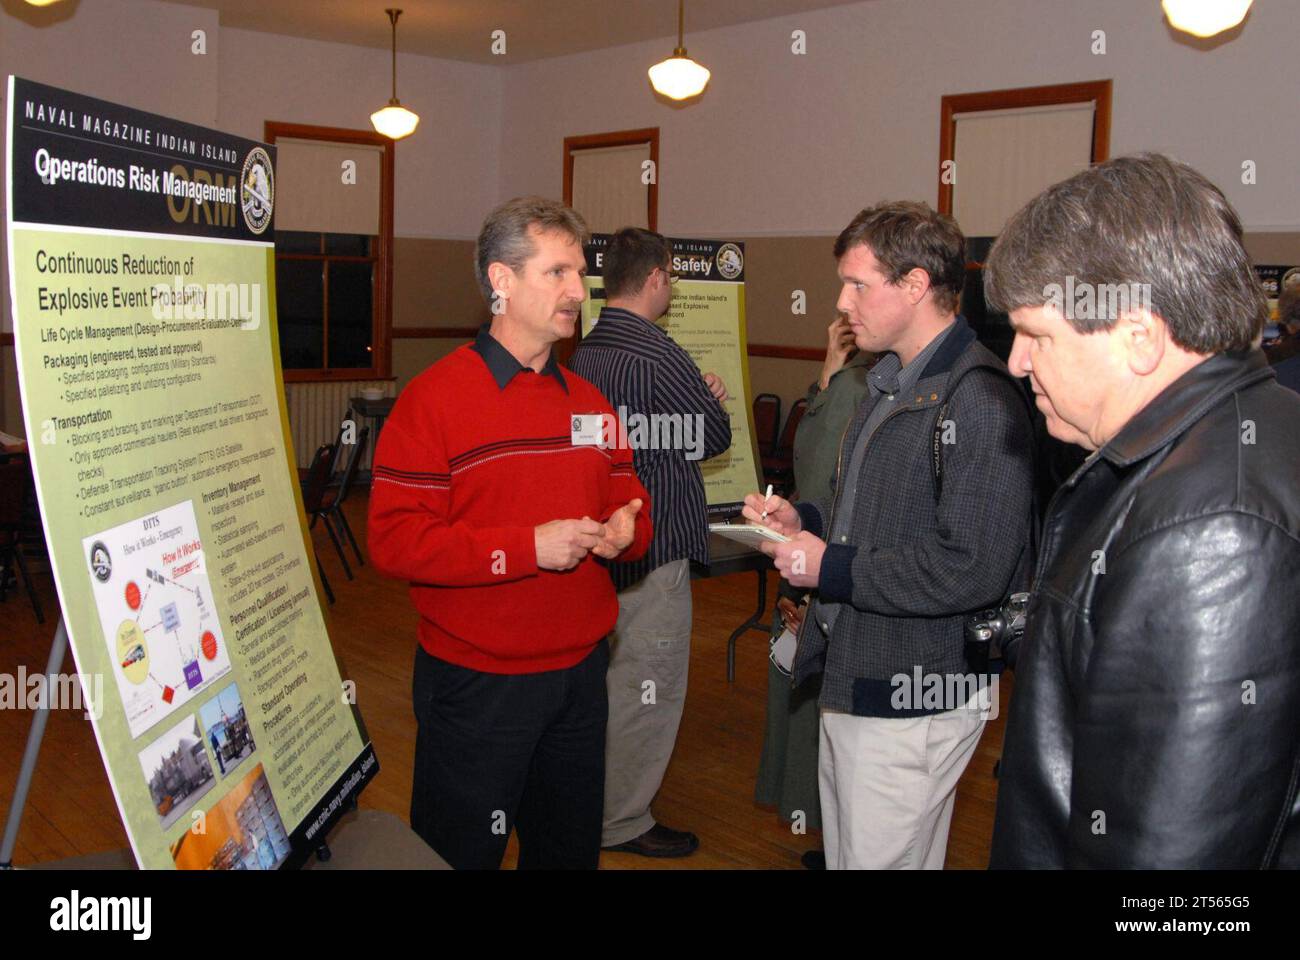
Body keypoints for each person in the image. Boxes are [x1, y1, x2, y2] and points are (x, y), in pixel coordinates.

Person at [983, 153, 1300, 868]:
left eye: (1038, 334)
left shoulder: (1211, 527)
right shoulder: (1240, 435)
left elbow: (1170, 862)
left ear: (1140, 337)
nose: (1016, 363)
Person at [742, 202, 1035, 869]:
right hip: (859, 673)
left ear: (914, 286)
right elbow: (867, 506)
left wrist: (830, 568)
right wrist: (805, 521)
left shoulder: (978, 400)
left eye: (858, 284)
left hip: (915, 693)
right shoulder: (889, 381)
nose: (843, 302)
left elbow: (972, 567)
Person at [368, 196, 653, 870]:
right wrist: (527, 549)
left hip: (580, 679)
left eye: (579, 274)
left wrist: (625, 530)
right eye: (556, 273)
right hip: (477, 685)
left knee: (565, 855)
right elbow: (396, 541)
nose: (575, 292)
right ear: (500, 281)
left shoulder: (589, 404)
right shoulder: (433, 400)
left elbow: (631, 503)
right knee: (459, 854)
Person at [569, 227, 732, 858]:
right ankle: (622, 821)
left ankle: (595, 803)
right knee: (649, 685)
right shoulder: (658, 352)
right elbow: (713, 437)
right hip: (656, 545)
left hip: (604, 545)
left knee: (610, 682)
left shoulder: (584, 351)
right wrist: (707, 401)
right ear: (659, 277)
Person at [754, 315, 871, 868]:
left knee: (818, 715)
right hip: (820, 562)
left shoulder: (855, 388)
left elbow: (823, 480)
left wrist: (803, 591)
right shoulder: (856, 383)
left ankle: (832, 835)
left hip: (821, 569)